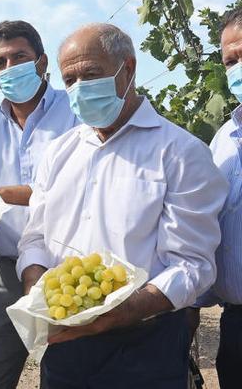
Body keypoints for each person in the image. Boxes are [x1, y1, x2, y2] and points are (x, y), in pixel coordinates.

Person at [16, 23, 228, 388]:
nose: (79, 88)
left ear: (127, 69)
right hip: (66, 343)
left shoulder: (181, 153)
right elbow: (34, 237)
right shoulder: (59, 152)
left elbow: (192, 265)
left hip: (146, 344)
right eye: (70, 80)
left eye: (91, 74)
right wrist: (36, 290)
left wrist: (125, 310)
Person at [0, 21, 78, 389]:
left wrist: (0, 194)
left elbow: (75, 187)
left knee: (65, 370)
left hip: (66, 265)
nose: (9, 68)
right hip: (2, 272)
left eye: (19, 57)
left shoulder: (74, 112)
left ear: (41, 61)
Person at [194, 6, 242, 388]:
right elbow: (212, 221)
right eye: (231, 60)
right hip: (237, 321)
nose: (237, 67)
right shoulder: (224, 137)